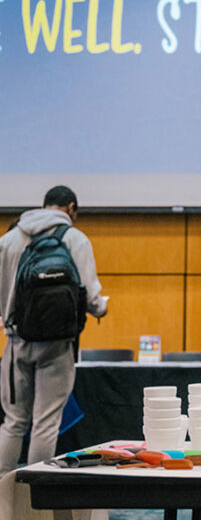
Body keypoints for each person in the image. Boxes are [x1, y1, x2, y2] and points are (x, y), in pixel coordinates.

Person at [0, 186, 108, 473]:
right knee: (46, 422)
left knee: (13, 422)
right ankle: (34, 501)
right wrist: (102, 309)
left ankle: (1, 498)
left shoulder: (9, 239)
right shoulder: (76, 239)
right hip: (59, 344)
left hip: (16, 340)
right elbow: (92, 299)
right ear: (71, 208)